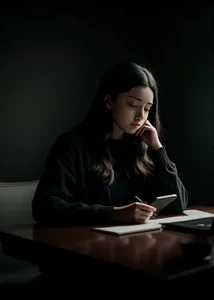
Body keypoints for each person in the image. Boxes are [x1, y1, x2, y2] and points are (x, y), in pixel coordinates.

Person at [32, 62, 188, 227]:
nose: (140, 116)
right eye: (132, 105)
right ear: (108, 101)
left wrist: (158, 149)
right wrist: (114, 214)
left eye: (147, 109)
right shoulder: (72, 145)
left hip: (136, 244)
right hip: (87, 244)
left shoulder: (141, 147)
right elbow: (45, 206)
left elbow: (177, 205)